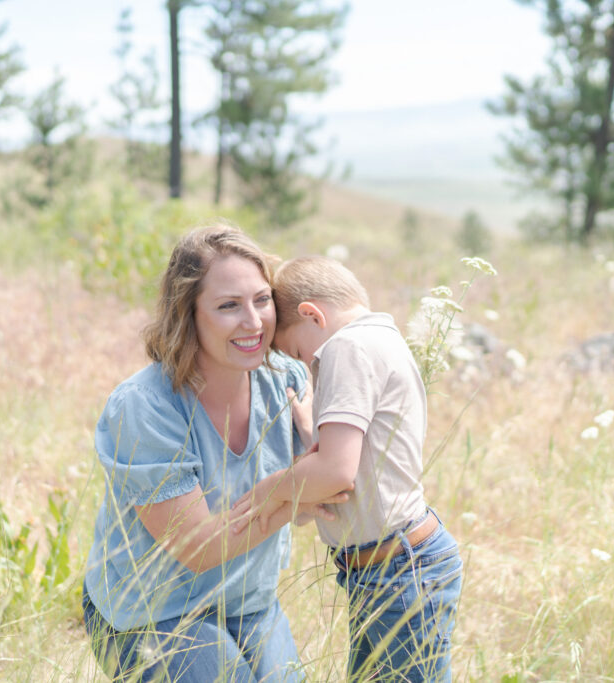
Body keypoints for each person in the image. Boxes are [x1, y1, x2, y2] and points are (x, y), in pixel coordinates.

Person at [82, 224, 348, 682]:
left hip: (246, 601)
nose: (254, 322)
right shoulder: (146, 406)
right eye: (228, 306)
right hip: (151, 611)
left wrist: (315, 449)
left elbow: (336, 488)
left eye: (262, 300)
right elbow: (197, 547)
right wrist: (293, 495)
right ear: (188, 314)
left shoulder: (288, 379)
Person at [232, 255, 463, 682]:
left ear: (312, 314)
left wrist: (271, 490)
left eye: (299, 353)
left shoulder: (347, 346)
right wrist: (314, 426)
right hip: (388, 569)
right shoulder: (379, 339)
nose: (305, 364)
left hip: (398, 572)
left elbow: (338, 472)